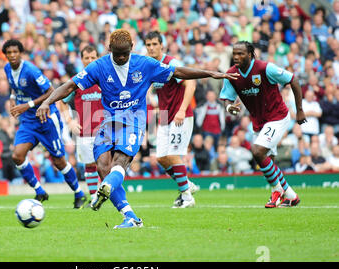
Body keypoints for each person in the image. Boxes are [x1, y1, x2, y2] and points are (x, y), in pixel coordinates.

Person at [37, 29, 238, 228]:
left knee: (121, 160)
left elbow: (178, 72)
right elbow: (70, 86)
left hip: (134, 120)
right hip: (108, 123)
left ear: (132, 48)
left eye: (125, 53)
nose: (122, 57)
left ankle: (107, 186)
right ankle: (130, 216)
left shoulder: (145, 64)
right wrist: (47, 102)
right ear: (109, 50)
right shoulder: (99, 66)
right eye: (117, 54)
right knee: (102, 166)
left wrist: (211, 73)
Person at [220, 41, 306, 208]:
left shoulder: (265, 68)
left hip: (277, 117)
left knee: (258, 152)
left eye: (241, 54)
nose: (236, 57)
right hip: (258, 122)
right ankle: (291, 196)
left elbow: (293, 80)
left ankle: (277, 191)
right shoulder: (231, 74)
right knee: (267, 162)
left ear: (250, 54)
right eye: (234, 54)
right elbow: (227, 99)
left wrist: (300, 110)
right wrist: (230, 107)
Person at [2, 39, 86, 209]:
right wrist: (12, 99)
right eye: (9, 52)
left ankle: (79, 193)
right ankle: (40, 191)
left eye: (15, 52)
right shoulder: (7, 69)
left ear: (21, 53)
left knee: (59, 161)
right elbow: (14, 87)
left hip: (46, 119)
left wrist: (28, 105)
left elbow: (50, 92)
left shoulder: (31, 71)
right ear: (5, 55)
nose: (12, 55)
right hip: (28, 122)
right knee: (17, 155)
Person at [144, 31, 198, 208]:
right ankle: (187, 184)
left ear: (162, 45)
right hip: (166, 118)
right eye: (148, 44)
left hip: (180, 116)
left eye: (154, 44)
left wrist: (182, 110)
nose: (151, 47)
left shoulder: (172, 63)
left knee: (174, 155)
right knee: (161, 158)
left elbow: (191, 82)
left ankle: (187, 197)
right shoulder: (151, 65)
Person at [60, 45, 104, 204]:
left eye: (93, 57)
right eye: (87, 58)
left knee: (106, 164)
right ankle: (94, 197)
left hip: (105, 130)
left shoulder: (105, 78)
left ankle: (109, 194)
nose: (90, 60)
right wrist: (70, 121)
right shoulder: (77, 81)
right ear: (82, 59)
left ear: (98, 58)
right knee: (90, 165)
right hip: (85, 132)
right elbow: (62, 102)